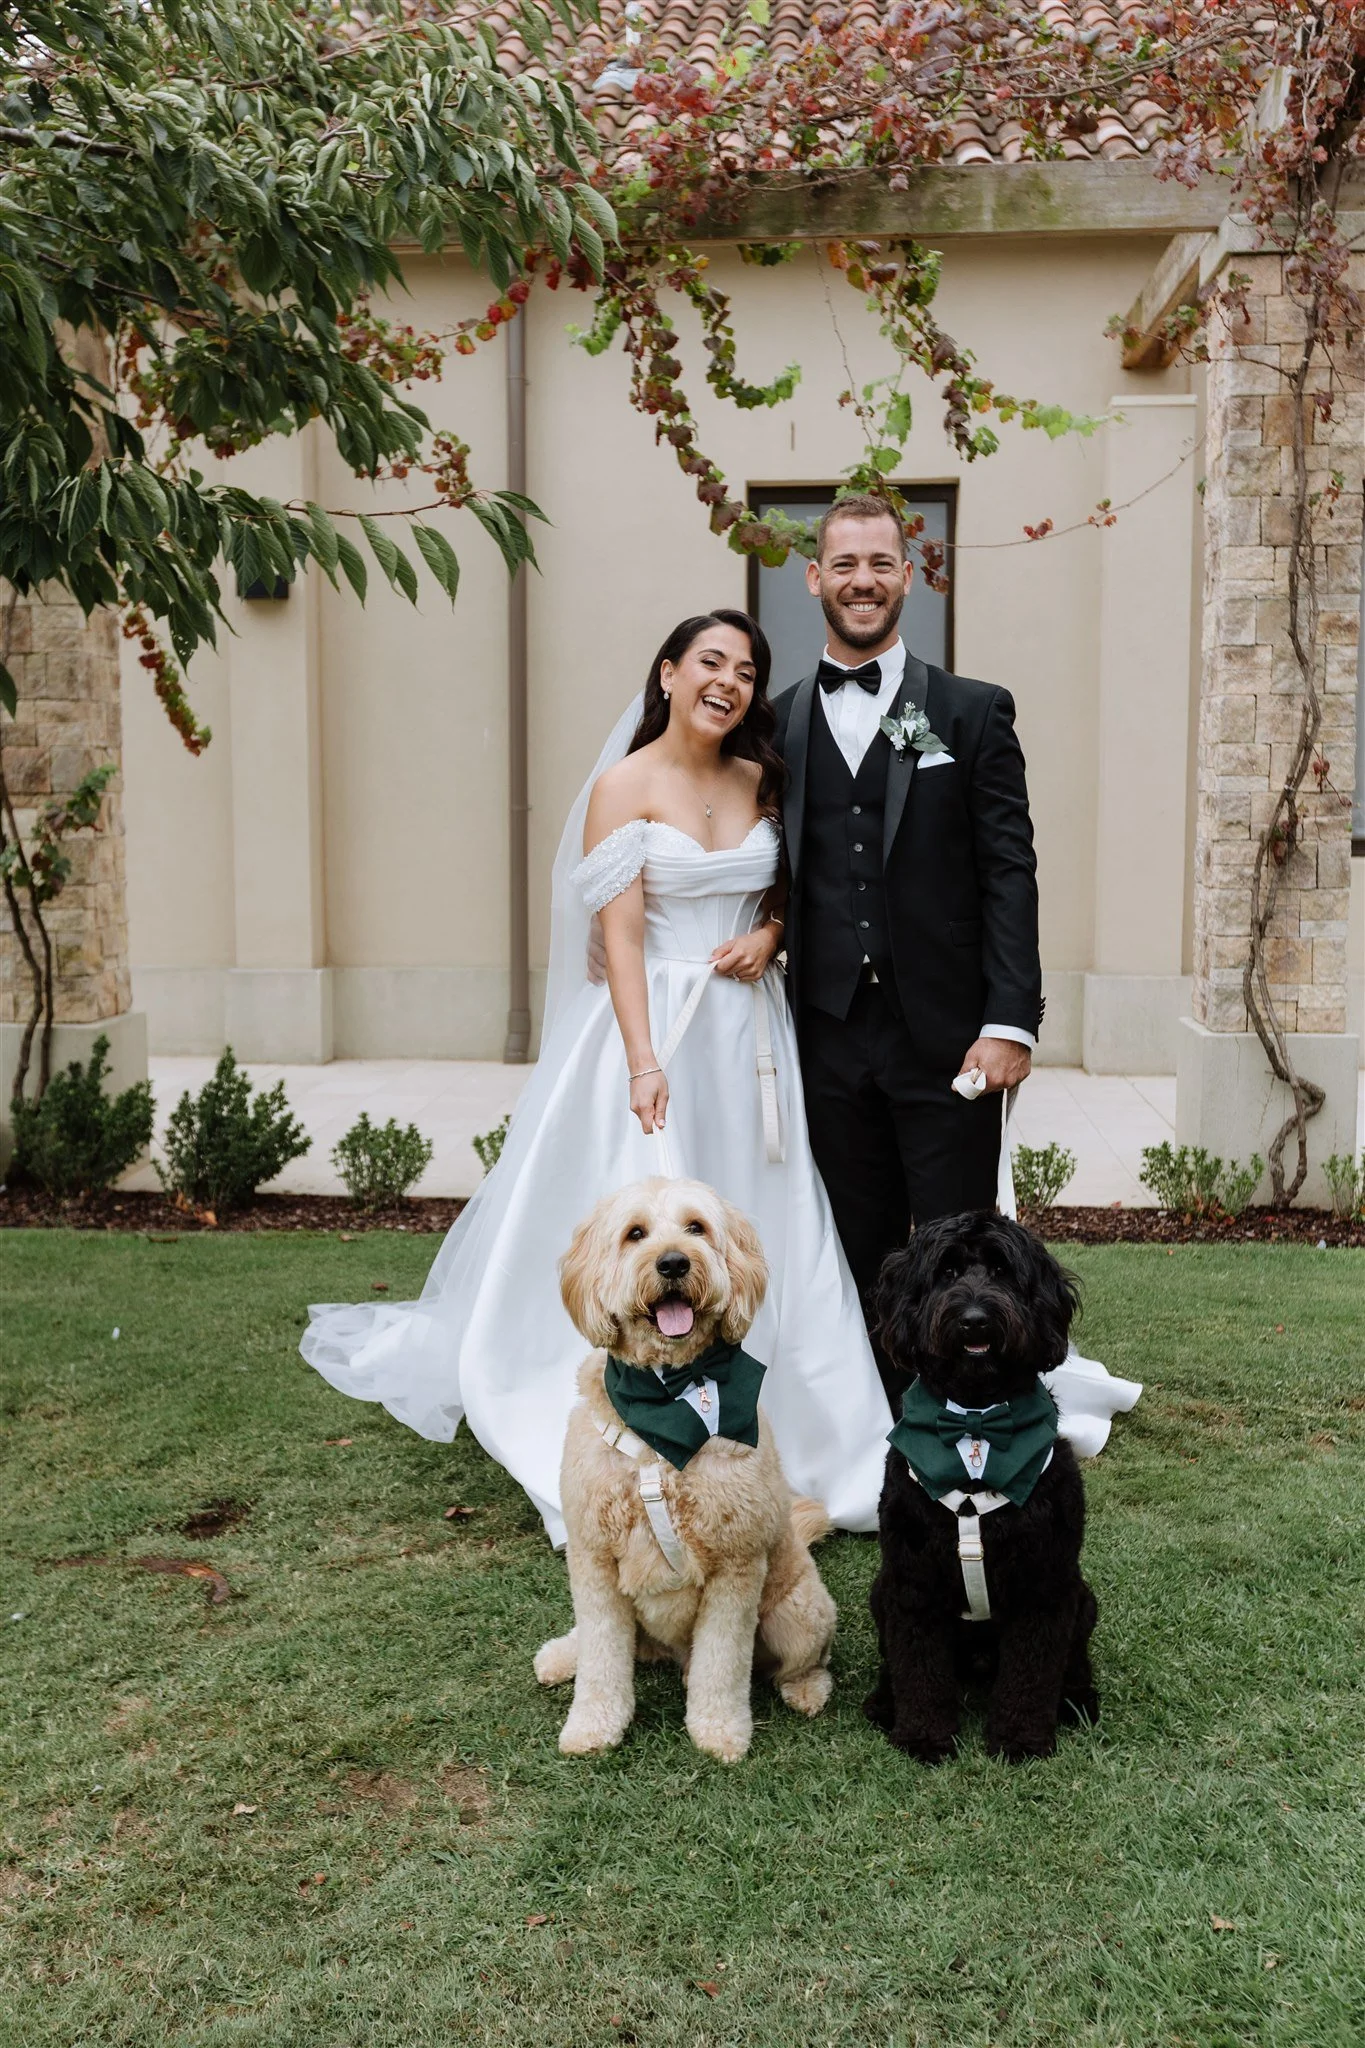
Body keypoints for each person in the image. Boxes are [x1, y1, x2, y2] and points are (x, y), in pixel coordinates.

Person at [301, 610, 895, 1548]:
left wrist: (770, 935)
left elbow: (792, 890)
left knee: (765, 1211)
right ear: (666, 673)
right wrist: (643, 1059)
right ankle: (636, 1401)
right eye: (709, 663)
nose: (728, 683)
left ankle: (811, 1431)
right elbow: (617, 936)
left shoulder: (762, 779)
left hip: (748, 1034)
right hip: (655, 1026)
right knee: (650, 1209)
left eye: (746, 671)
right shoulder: (621, 786)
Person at [774, 494, 1046, 1397]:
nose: (861, 581)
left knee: (960, 1249)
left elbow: (1009, 872)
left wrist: (1010, 1019)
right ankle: (878, 1435)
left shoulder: (970, 714)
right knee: (855, 1247)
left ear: (909, 575)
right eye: (843, 565)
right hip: (825, 1031)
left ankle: (975, 1427)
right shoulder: (774, 724)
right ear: (815, 578)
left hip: (949, 1035)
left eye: (879, 564)